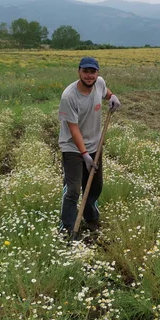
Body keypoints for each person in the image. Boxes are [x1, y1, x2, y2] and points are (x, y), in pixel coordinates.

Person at [58, 56, 121, 236]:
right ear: (79, 72)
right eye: (85, 71)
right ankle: (68, 227)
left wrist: (112, 96)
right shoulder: (69, 96)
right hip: (72, 148)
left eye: (92, 72)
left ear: (97, 73)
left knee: (94, 186)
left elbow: (105, 91)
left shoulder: (99, 83)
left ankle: (91, 218)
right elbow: (73, 129)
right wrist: (84, 154)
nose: (89, 75)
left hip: (95, 145)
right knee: (72, 189)